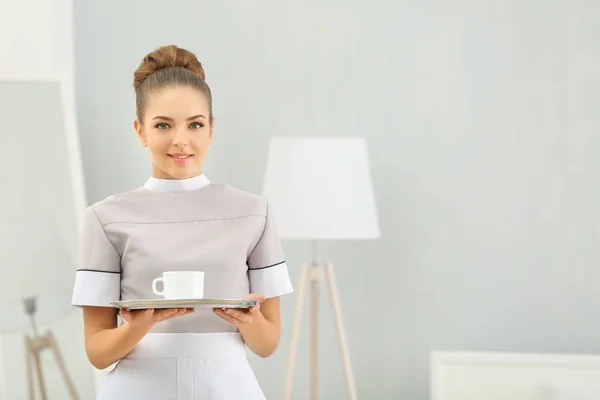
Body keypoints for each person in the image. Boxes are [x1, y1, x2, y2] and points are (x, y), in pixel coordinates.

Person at [71, 44, 294, 400]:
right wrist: (141, 325)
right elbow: (97, 352)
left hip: (229, 388)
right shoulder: (105, 218)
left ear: (211, 129)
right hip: (138, 389)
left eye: (195, 124)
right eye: (163, 125)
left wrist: (248, 321)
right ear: (140, 131)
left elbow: (268, 345)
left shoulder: (254, 213)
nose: (181, 140)